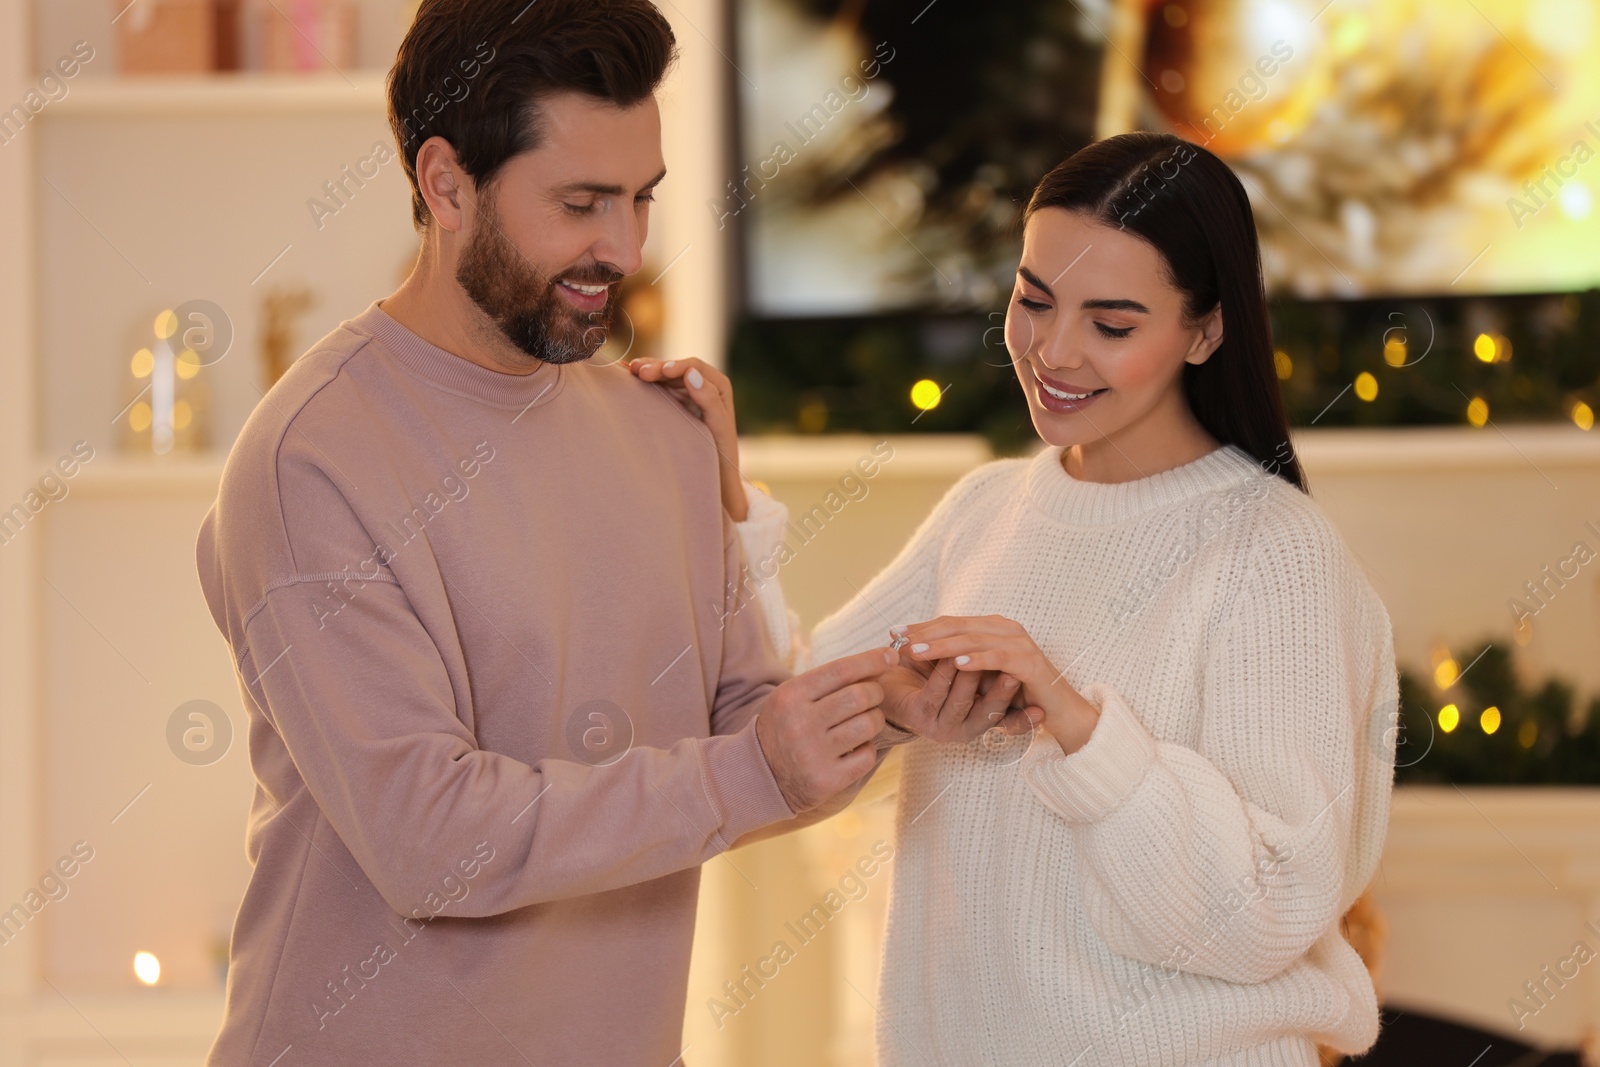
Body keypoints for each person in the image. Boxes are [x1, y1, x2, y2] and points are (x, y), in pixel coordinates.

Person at [193, 1, 990, 1062]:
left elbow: (743, 738)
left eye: (641, 199)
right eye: (580, 203)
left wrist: (878, 710)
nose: (621, 247)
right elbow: (430, 838)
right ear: (444, 184)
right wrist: (753, 765)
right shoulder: (309, 460)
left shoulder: (662, 433)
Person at [631, 131, 1398, 1066]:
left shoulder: (1274, 556)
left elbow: (1269, 905)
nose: (1054, 351)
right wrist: (725, 494)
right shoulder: (988, 510)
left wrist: (1078, 725)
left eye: (1112, 325)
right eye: (1033, 301)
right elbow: (783, 715)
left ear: (1206, 328)